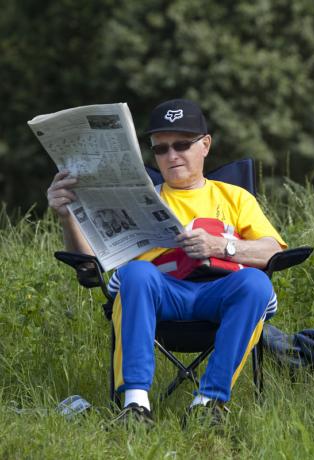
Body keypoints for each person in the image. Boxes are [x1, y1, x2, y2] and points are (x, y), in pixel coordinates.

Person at [47, 99, 286, 426]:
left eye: (182, 145)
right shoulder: (134, 199)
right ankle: (135, 405)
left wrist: (221, 245)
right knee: (136, 272)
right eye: (160, 149)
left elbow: (272, 252)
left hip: (219, 293)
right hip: (155, 295)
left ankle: (208, 404)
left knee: (257, 283)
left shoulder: (235, 197)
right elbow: (88, 264)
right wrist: (68, 217)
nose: (171, 156)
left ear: (205, 145)